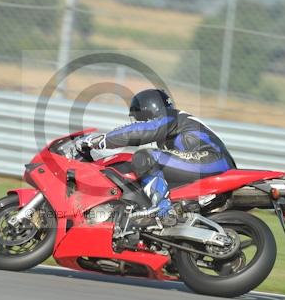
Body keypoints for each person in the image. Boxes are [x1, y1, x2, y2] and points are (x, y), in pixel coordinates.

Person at [78, 89, 236, 226]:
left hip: (210, 160)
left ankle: (163, 209)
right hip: (208, 163)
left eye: (140, 118)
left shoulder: (171, 116)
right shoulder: (171, 129)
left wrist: (101, 141)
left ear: (151, 111)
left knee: (145, 156)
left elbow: (143, 131)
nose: (138, 122)